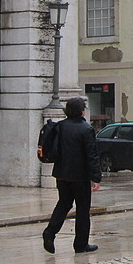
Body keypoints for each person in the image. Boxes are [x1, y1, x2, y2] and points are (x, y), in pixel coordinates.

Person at [43, 97, 102, 254]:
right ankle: (81, 244)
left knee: (63, 204)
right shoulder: (86, 129)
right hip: (80, 177)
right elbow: (92, 155)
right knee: (82, 210)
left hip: (61, 175)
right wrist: (96, 177)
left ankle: (49, 232)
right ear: (82, 111)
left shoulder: (60, 126)